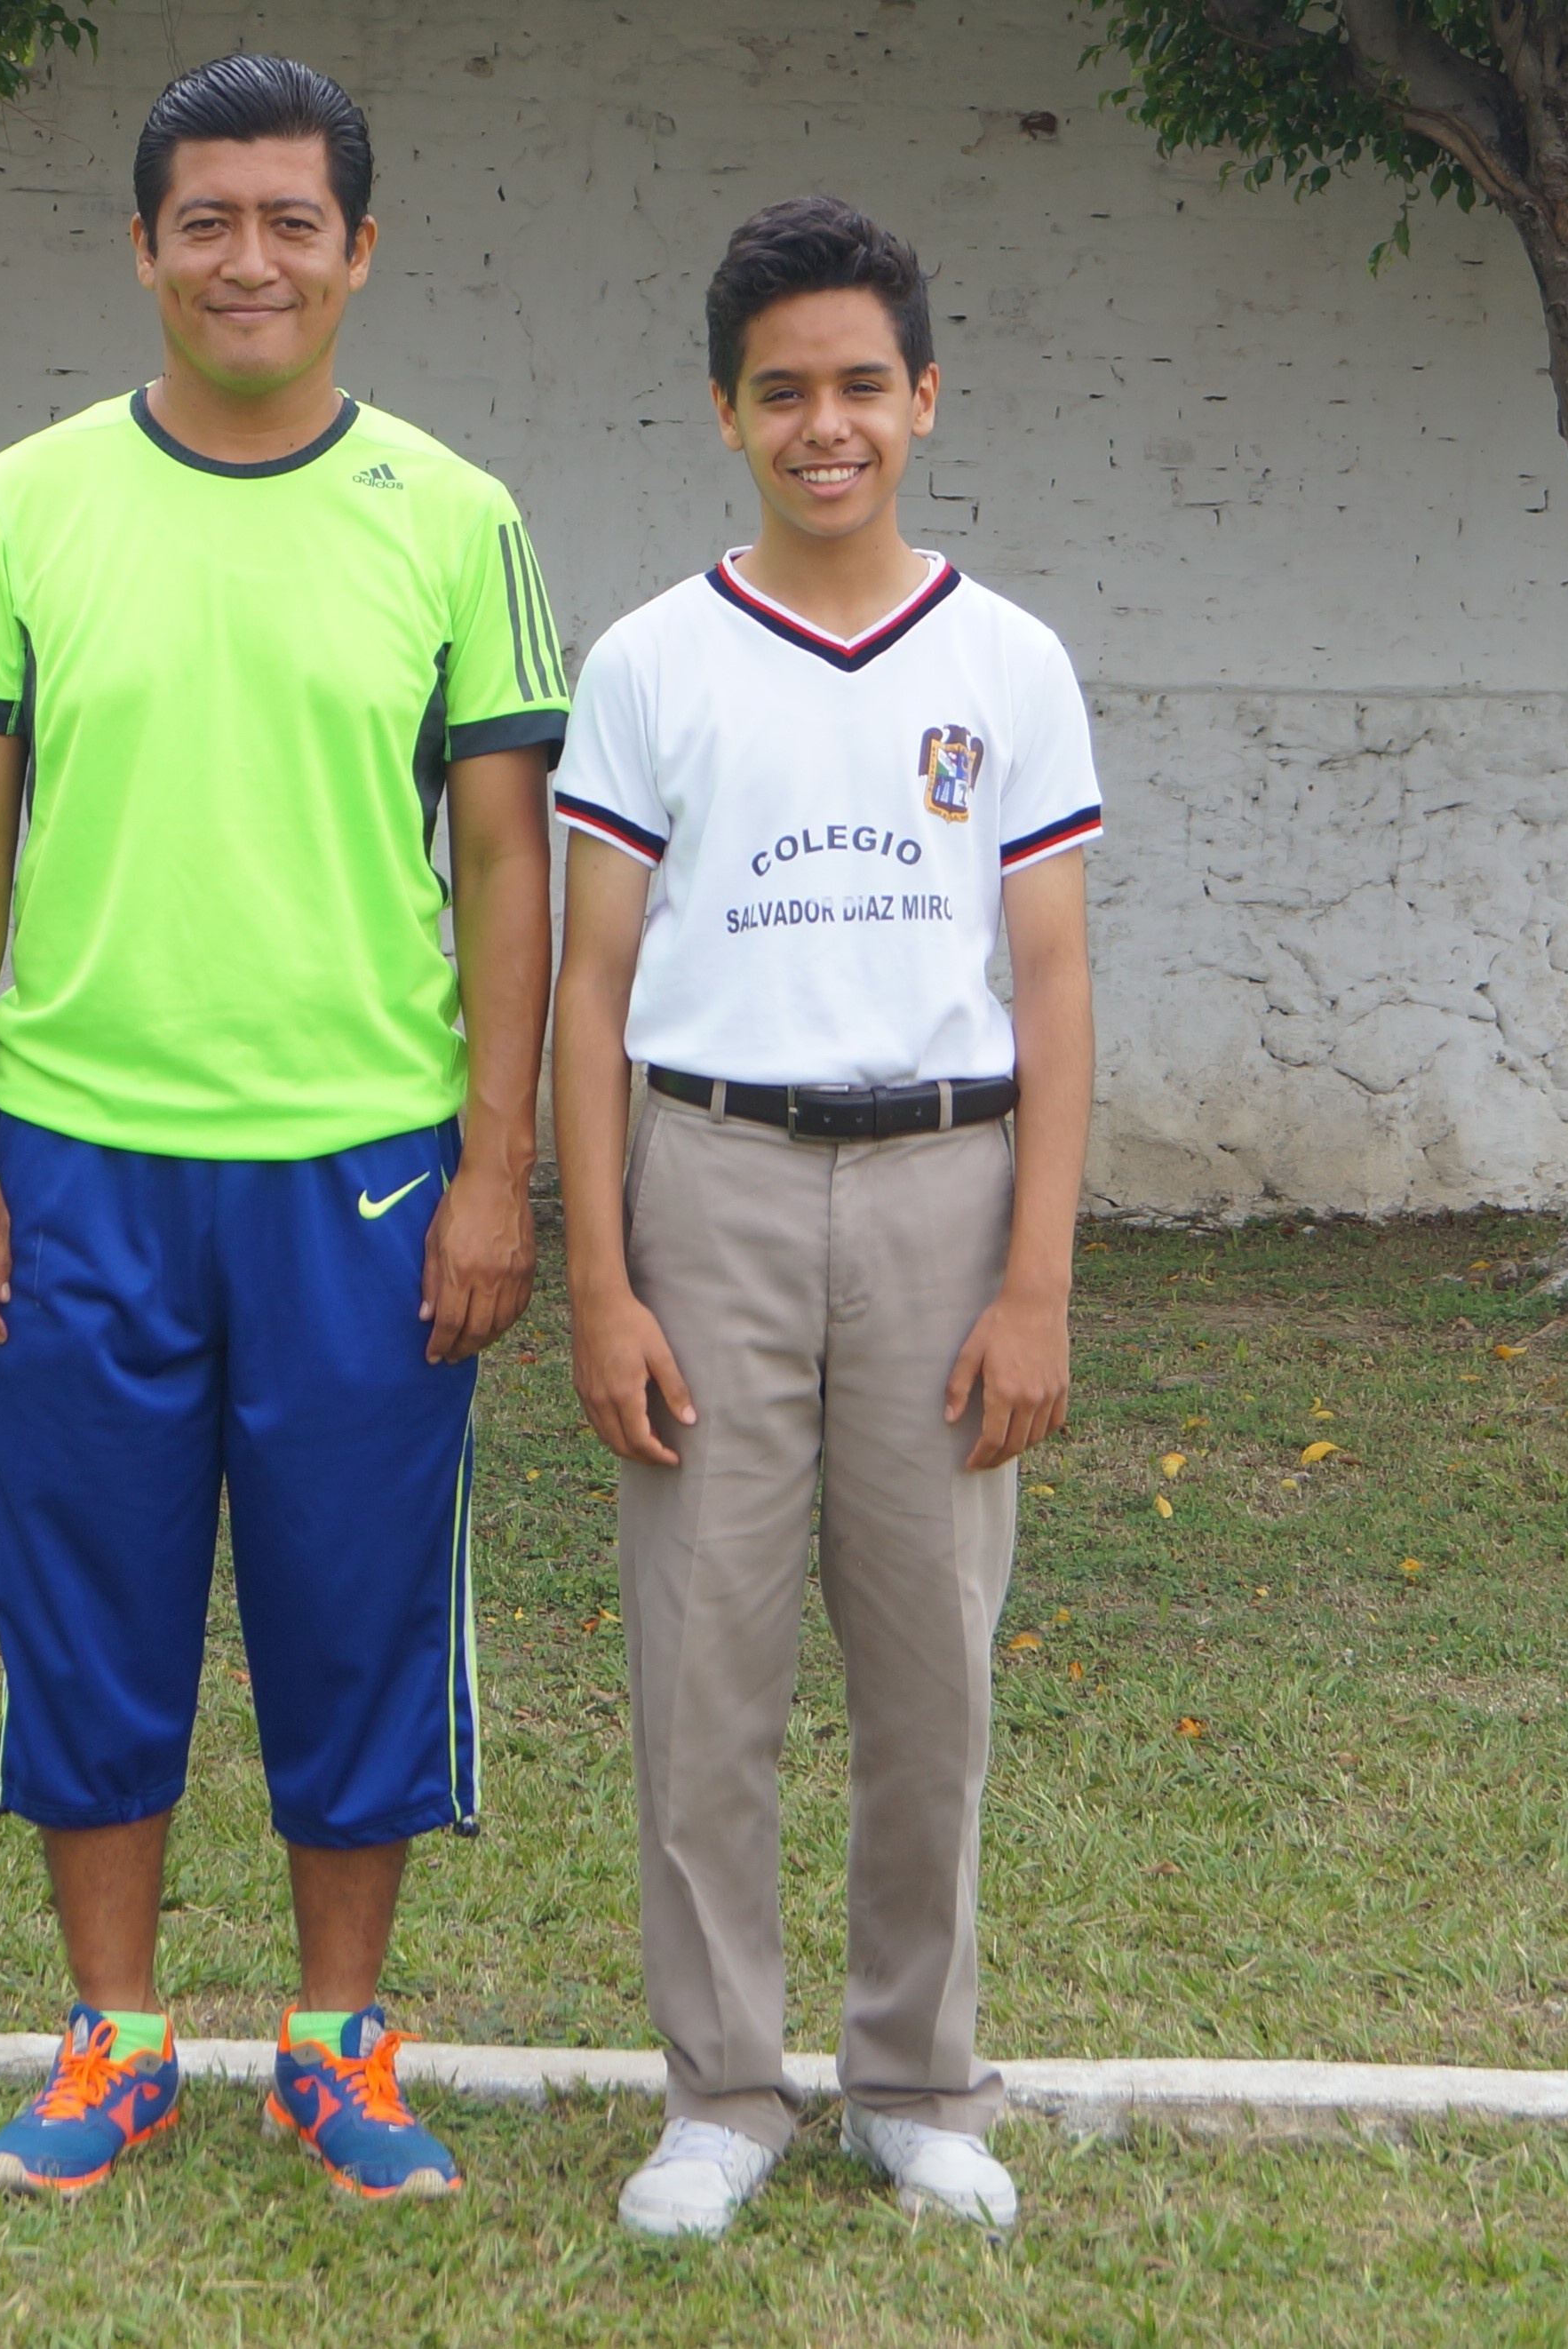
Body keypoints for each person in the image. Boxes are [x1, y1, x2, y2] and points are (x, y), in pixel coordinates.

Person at [0, 52, 567, 2203]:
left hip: (362, 1172)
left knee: (348, 1607)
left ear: (355, 251)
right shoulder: (27, 499)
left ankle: (336, 2045)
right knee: (87, 1602)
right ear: (143, 246)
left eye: (292, 221)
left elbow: (506, 869)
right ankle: (109, 2040)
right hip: (78, 1154)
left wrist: (490, 1163)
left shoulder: (454, 519)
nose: (248, 257)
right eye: (208, 219)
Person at [548, 196, 1100, 2240]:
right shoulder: (652, 659)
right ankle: (717, 2087)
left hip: (948, 1182)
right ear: (724, 412)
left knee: (928, 1661)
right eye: (781, 388)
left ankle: (914, 2075)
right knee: (704, 1653)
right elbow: (588, 990)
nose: (825, 422)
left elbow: (1048, 983)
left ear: (925, 397)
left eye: (861, 382)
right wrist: (600, 1275)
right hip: (713, 1178)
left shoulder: (1005, 660)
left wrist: (1033, 1274)